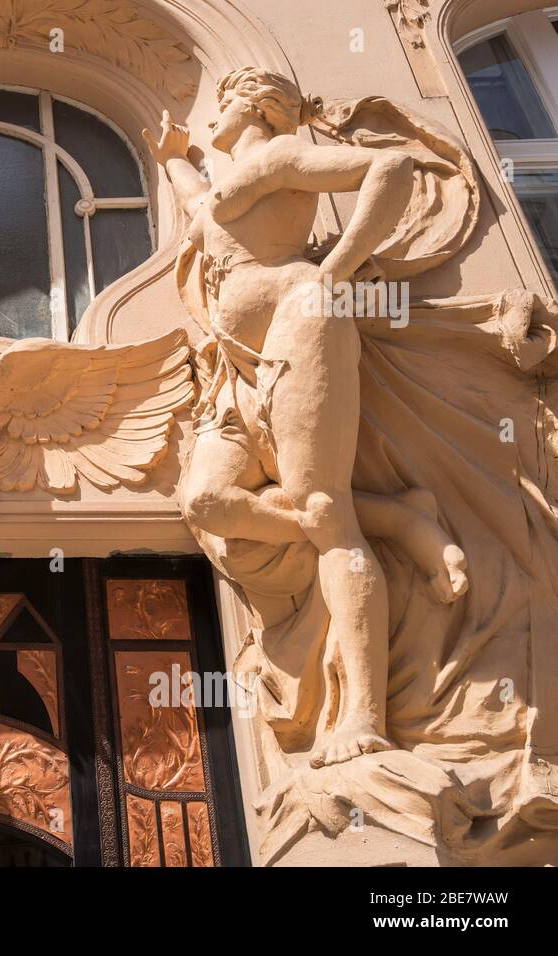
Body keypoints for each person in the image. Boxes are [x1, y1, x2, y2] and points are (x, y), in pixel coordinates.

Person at [144, 68, 467, 768]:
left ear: (257, 106)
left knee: (324, 508)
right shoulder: (231, 179)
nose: (212, 120)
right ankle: (402, 518)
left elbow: (392, 164)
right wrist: (172, 156)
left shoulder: (281, 157)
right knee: (206, 500)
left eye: (222, 103)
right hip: (234, 371)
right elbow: (199, 199)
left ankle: (365, 717)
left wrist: (335, 273)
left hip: (302, 326)